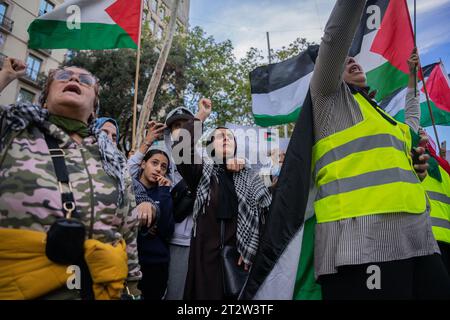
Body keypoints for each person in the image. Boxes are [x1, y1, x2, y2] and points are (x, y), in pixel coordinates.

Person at [310, 0, 450, 299]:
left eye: (354, 58)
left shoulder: (384, 117)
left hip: (417, 238)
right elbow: (335, 37)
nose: (351, 60)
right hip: (362, 243)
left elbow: (411, 125)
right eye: (343, 61)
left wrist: (415, 169)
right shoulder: (328, 100)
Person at [0, 57, 155, 299]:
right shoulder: (12, 132)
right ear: (44, 98)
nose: (73, 79)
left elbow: (128, 226)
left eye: (85, 80)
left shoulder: (111, 156)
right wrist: (6, 76)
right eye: (63, 76)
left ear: (94, 107)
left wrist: (133, 286)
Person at [173, 112, 272, 300]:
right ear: (210, 146)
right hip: (206, 261)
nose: (225, 138)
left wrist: (251, 249)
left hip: (242, 262)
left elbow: (267, 212)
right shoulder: (201, 174)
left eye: (230, 137)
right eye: (219, 136)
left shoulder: (250, 176)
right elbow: (181, 150)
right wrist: (200, 117)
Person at [128, 98, 213, 300]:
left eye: (185, 125)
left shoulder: (201, 158)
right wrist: (147, 142)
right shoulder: (159, 160)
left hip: (183, 242)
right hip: (152, 243)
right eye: (176, 126)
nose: (180, 130)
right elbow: (128, 174)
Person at [133, 147, 174, 299]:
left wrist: (164, 192)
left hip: (157, 264)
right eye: (154, 163)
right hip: (131, 262)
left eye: (163, 167)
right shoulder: (129, 188)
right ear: (143, 164)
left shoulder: (164, 193)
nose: (158, 169)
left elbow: (167, 230)